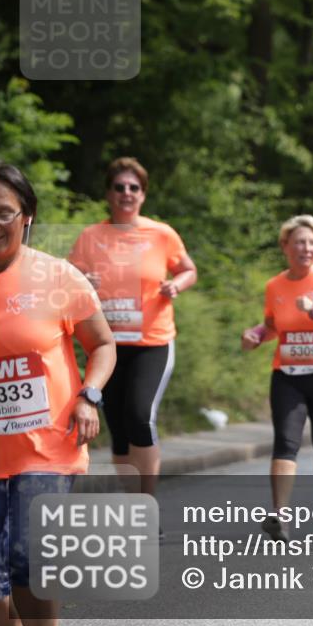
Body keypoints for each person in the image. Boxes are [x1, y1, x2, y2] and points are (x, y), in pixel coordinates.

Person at [0, 161, 116, 626]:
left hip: (46, 450)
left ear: (26, 217)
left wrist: (90, 396)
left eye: (4, 212)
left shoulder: (57, 276)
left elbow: (102, 344)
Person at [68, 157, 197, 503]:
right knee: (121, 432)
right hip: (107, 345)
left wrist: (177, 285)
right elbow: (68, 279)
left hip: (151, 342)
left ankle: (147, 505)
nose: (127, 193)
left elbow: (189, 269)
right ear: (109, 194)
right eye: (119, 187)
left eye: (134, 187)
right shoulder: (91, 236)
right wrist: (84, 280)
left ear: (143, 194)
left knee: (140, 416)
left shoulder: (161, 233)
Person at [241, 215, 313, 540]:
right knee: (285, 442)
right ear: (285, 247)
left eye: (311, 242)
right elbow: (271, 326)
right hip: (288, 376)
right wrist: (254, 335)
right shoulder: (274, 285)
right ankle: (279, 516)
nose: (306, 248)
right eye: (299, 242)